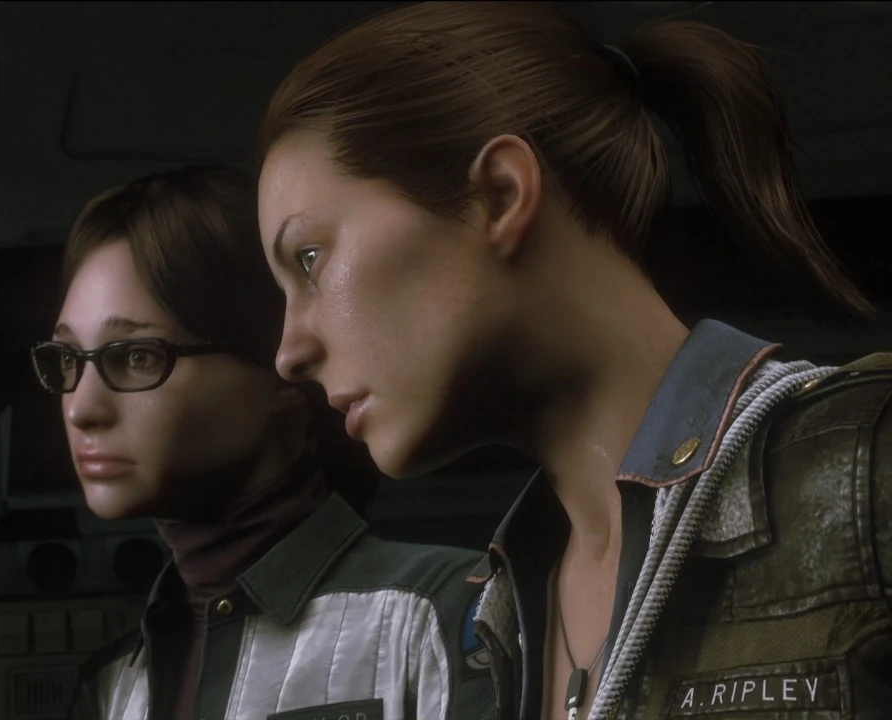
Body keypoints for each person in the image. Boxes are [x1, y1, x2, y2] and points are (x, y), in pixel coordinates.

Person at [253, 4, 892, 720]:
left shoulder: (871, 461)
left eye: (309, 257)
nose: (288, 353)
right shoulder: (498, 621)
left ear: (498, 195)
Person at [43, 165, 494, 720]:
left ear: (282, 363)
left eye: (137, 356)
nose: (81, 409)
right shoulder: (108, 689)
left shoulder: (446, 613)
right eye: (68, 359)